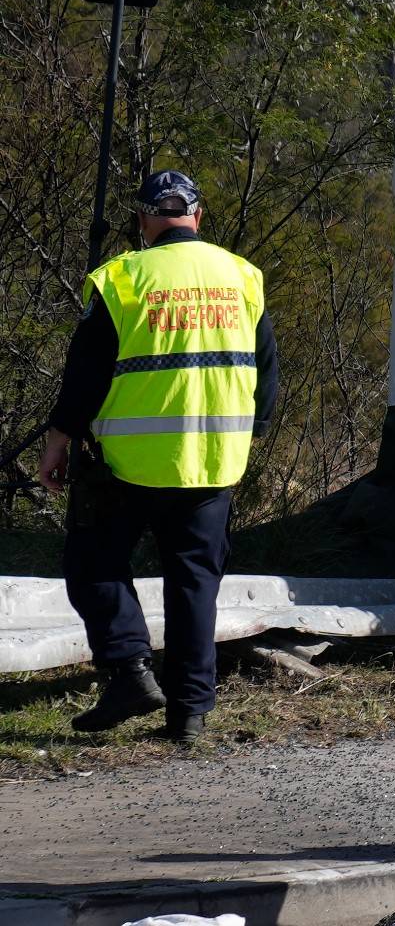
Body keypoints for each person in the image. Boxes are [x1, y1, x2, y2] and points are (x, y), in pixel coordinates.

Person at [36, 170, 278, 745]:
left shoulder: (123, 278)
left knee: (93, 565)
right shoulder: (242, 276)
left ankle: (129, 673)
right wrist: (252, 430)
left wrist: (57, 442)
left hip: (130, 465)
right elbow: (266, 373)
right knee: (195, 583)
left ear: (144, 221)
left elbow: (85, 377)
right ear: (197, 216)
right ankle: (189, 715)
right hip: (214, 462)